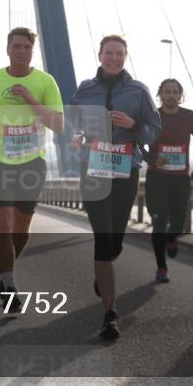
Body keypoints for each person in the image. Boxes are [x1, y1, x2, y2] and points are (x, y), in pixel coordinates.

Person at [70, 35, 161, 340]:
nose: (114, 57)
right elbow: (73, 123)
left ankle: (103, 269)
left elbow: (154, 130)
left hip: (125, 170)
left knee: (116, 239)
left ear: (125, 57)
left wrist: (134, 125)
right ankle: (110, 314)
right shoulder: (85, 89)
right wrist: (77, 136)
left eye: (119, 53)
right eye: (109, 52)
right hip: (92, 169)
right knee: (102, 239)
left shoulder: (139, 91)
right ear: (99, 55)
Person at [0, 27, 64, 308]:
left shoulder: (45, 82)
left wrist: (32, 101)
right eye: (17, 46)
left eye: (27, 47)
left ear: (32, 51)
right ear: (8, 48)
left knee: (21, 229)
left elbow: (58, 125)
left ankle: (5, 270)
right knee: (3, 224)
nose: (21, 51)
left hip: (32, 162)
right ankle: (9, 284)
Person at [144, 78, 193, 283]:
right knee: (159, 222)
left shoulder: (190, 116)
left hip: (180, 179)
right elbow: (137, 145)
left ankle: (172, 238)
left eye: (175, 92)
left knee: (178, 223)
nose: (171, 95)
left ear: (181, 95)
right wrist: (153, 160)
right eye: (167, 92)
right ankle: (161, 267)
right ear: (160, 94)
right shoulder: (152, 117)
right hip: (156, 178)